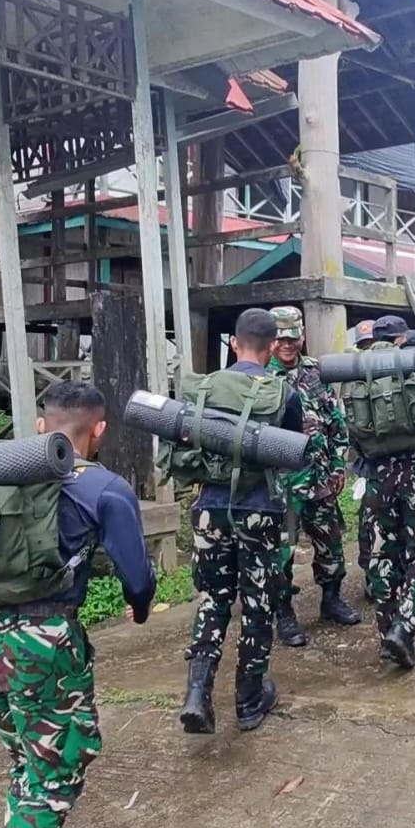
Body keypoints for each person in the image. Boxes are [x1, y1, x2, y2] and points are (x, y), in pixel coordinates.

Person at [0, 381, 154, 828]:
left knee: (28, 762)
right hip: (42, 644)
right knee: (55, 774)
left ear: (42, 427)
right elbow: (138, 578)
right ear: (99, 430)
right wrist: (139, 608)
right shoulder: (106, 488)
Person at [180, 308, 302, 735]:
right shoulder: (283, 392)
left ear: (234, 343)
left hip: (210, 507)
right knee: (257, 603)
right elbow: (290, 450)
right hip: (260, 509)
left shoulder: (205, 387)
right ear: (271, 348)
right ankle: (249, 700)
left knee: (213, 599)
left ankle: (197, 694)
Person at [352, 313, 415, 668]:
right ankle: (404, 628)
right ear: (402, 339)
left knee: (380, 555)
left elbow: (353, 433)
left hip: (376, 473)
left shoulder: (354, 372)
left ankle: (386, 632)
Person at [268, 306, 361, 648]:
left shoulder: (316, 372)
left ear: (302, 337)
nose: (287, 345)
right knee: (281, 553)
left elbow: (337, 425)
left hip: (320, 479)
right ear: (270, 341)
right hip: (281, 485)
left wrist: (338, 466)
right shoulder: (260, 378)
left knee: (331, 545)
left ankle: (331, 600)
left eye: (293, 337)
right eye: (280, 339)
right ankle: (285, 615)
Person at [346, 319, 379, 600]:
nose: (369, 351)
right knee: (368, 520)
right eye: (364, 346)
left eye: (372, 344)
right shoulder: (353, 379)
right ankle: (370, 572)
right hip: (367, 463)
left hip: (394, 460)